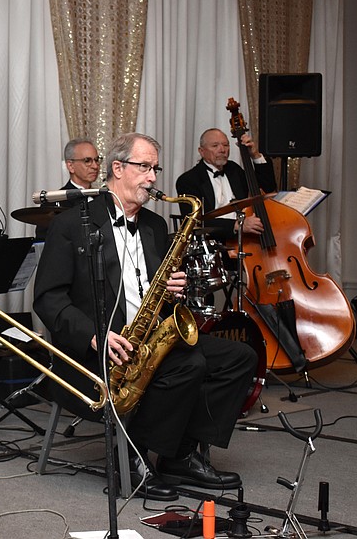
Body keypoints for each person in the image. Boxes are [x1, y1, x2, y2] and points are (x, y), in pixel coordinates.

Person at [33, 132, 257, 501]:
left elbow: (156, 295)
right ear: (117, 168)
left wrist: (173, 291)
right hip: (98, 350)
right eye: (145, 167)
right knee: (189, 364)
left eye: (155, 168)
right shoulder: (72, 225)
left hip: (149, 338)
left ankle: (180, 454)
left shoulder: (154, 226)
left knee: (239, 357)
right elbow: (48, 297)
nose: (153, 177)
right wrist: (95, 335)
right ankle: (133, 458)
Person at [176, 128, 277, 240]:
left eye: (225, 145)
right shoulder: (188, 180)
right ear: (201, 151)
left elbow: (267, 187)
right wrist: (237, 225)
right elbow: (195, 221)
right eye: (215, 146)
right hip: (213, 241)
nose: (222, 150)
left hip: (245, 238)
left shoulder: (234, 170)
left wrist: (255, 155)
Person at [35, 138, 103, 238]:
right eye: (87, 161)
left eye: (96, 160)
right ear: (70, 166)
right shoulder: (54, 201)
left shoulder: (103, 198)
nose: (95, 166)